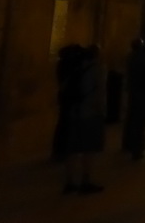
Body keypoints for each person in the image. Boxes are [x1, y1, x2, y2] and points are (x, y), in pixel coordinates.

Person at [55, 44, 105, 194]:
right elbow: (99, 94)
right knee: (88, 149)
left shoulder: (71, 69)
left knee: (71, 149)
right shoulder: (97, 69)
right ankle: (86, 180)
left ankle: (69, 182)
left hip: (72, 112)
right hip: (89, 113)